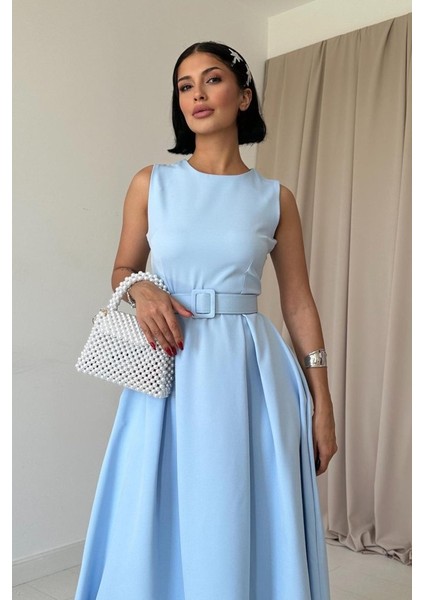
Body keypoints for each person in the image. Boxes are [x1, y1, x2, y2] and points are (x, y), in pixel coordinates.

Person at [75, 41, 337, 600]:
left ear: (243, 96)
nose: (197, 94)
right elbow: (123, 268)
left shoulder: (275, 199)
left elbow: (298, 303)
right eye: (185, 85)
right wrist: (141, 287)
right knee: (159, 501)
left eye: (212, 79)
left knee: (240, 504)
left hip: (249, 370)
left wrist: (324, 406)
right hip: (170, 363)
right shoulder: (151, 183)